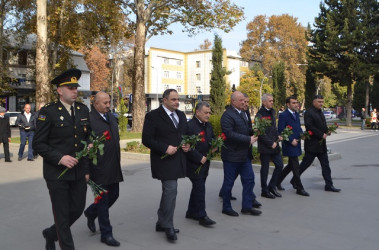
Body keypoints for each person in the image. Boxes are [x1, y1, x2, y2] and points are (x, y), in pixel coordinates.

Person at [33, 68, 91, 250]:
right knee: (62, 214)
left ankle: (51, 233)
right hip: (56, 173)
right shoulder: (48, 112)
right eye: (71, 88)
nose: (75, 91)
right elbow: (38, 144)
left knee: (77, 209)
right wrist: (60, 158)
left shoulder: (82, 110)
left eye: (76, 87)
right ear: (60, 90)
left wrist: (88, 165)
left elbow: (87, 137)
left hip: (79, 171)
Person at [142, 89, 190, 242]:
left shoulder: (181, 115)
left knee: (169, 192)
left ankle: (161, 222)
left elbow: (184, 134)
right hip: (163, 160)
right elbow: (146, 139)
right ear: (164, 100)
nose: (177, 102)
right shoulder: (153, 116)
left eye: (178, 99)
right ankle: (168, 225)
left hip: (178, 160)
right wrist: (164, 148)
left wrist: (187, 144)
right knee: (171, 191)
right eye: (174, 99)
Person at [83, 92, 123, 246]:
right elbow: (85, 146)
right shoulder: (89, 120)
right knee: (103, 199)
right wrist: (86, 170)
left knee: (115, 195)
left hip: (113, 166)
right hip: (97, 169)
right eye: (105, 103)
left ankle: (91, 212)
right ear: (95, 103)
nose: (108, 105)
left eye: (109, 102)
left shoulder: (111, 117)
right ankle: (106, 234)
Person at [220, 91, 261, 217]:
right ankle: (226, 207)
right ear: (233, 101)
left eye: (244, 100)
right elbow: (229, 134)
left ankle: (247, 206)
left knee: (249, 180)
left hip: (244, 155)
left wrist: (253, 131)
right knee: (229, 183)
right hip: (231, 156)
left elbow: (244, 129)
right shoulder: (227, 115)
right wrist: (248, 139)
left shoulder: (243, 112)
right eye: (241, 100)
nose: (244, 102)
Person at [294, 95, 341, 192]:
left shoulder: (320, 112)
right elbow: (309, 126)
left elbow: (322, 125)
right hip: (312, 144)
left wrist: (327, 131)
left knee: (325, 165)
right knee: (305, 164)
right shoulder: (309, 113)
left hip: (321, 145)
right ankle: (294, 179)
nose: (321, 103)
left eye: (322, 101)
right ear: (314, 102)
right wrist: (321, 134)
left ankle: (329, 185)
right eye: (319, 101)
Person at [185, 101, 216, 227]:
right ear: (197, 112)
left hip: (205, 163)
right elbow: (186, 145)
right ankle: (202, 216)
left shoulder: (208, 125)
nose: (208, 115)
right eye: (205, 112)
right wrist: (199, 157)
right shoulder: (190, 126)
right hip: (194, 164)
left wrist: (215, 146)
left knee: (198, 187)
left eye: (209, 112)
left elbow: (212, 138)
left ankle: (191, 211)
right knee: (200, 188)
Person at [276, 96, 309, 196]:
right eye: (293, 103)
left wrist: (303, 135)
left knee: (291, 165)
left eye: (296, 102)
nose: (296, 104)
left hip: (297, 142)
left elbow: (298, 127)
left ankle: (277, 181)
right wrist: (290, 141)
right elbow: (281, 131)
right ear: (288, 104)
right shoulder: (283, 115)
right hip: (289, 144)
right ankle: (299, 187)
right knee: (295, 165)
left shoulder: (296, 114)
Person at [256, 93, 284, 199]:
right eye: (270, 101)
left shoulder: (273, 112)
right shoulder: (260, 114)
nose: (272, 102)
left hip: (275, 144)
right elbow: (260, 132)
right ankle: (264, 190)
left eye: (272, 101)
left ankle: (272, 186)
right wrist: (270, 143)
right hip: (265, 146)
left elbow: (274, 128)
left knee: (280, 165)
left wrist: (278, 136)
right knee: (265, 169)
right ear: (264, 102)